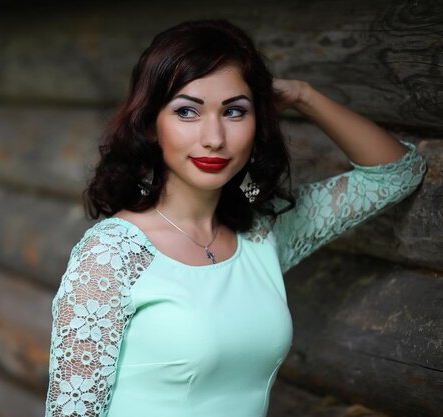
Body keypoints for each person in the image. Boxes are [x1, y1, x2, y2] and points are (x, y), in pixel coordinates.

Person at [44, 19, 426, 417]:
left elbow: (397, 172)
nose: (214, 136)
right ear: (152, 125)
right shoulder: (109, 256)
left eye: (234, 111)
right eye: (187, 111)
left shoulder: (264, 233)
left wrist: (303, 96)